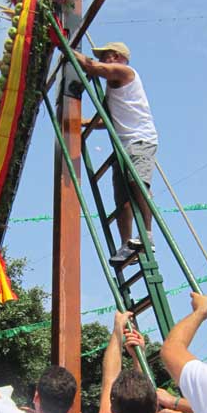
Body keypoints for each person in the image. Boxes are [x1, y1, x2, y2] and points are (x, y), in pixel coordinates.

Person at [73, 42, 158, 264]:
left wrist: (65, 48)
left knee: (138, 184)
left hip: (140, 140)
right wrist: (80, 123)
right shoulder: (112, 88)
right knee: (122, 199)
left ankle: (147, 235)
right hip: (123, 146)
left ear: (118, 57)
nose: (105, 61)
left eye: (108, 57)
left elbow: (93, 68)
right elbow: (108, 120)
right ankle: (126, 244)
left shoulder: (126, 73)